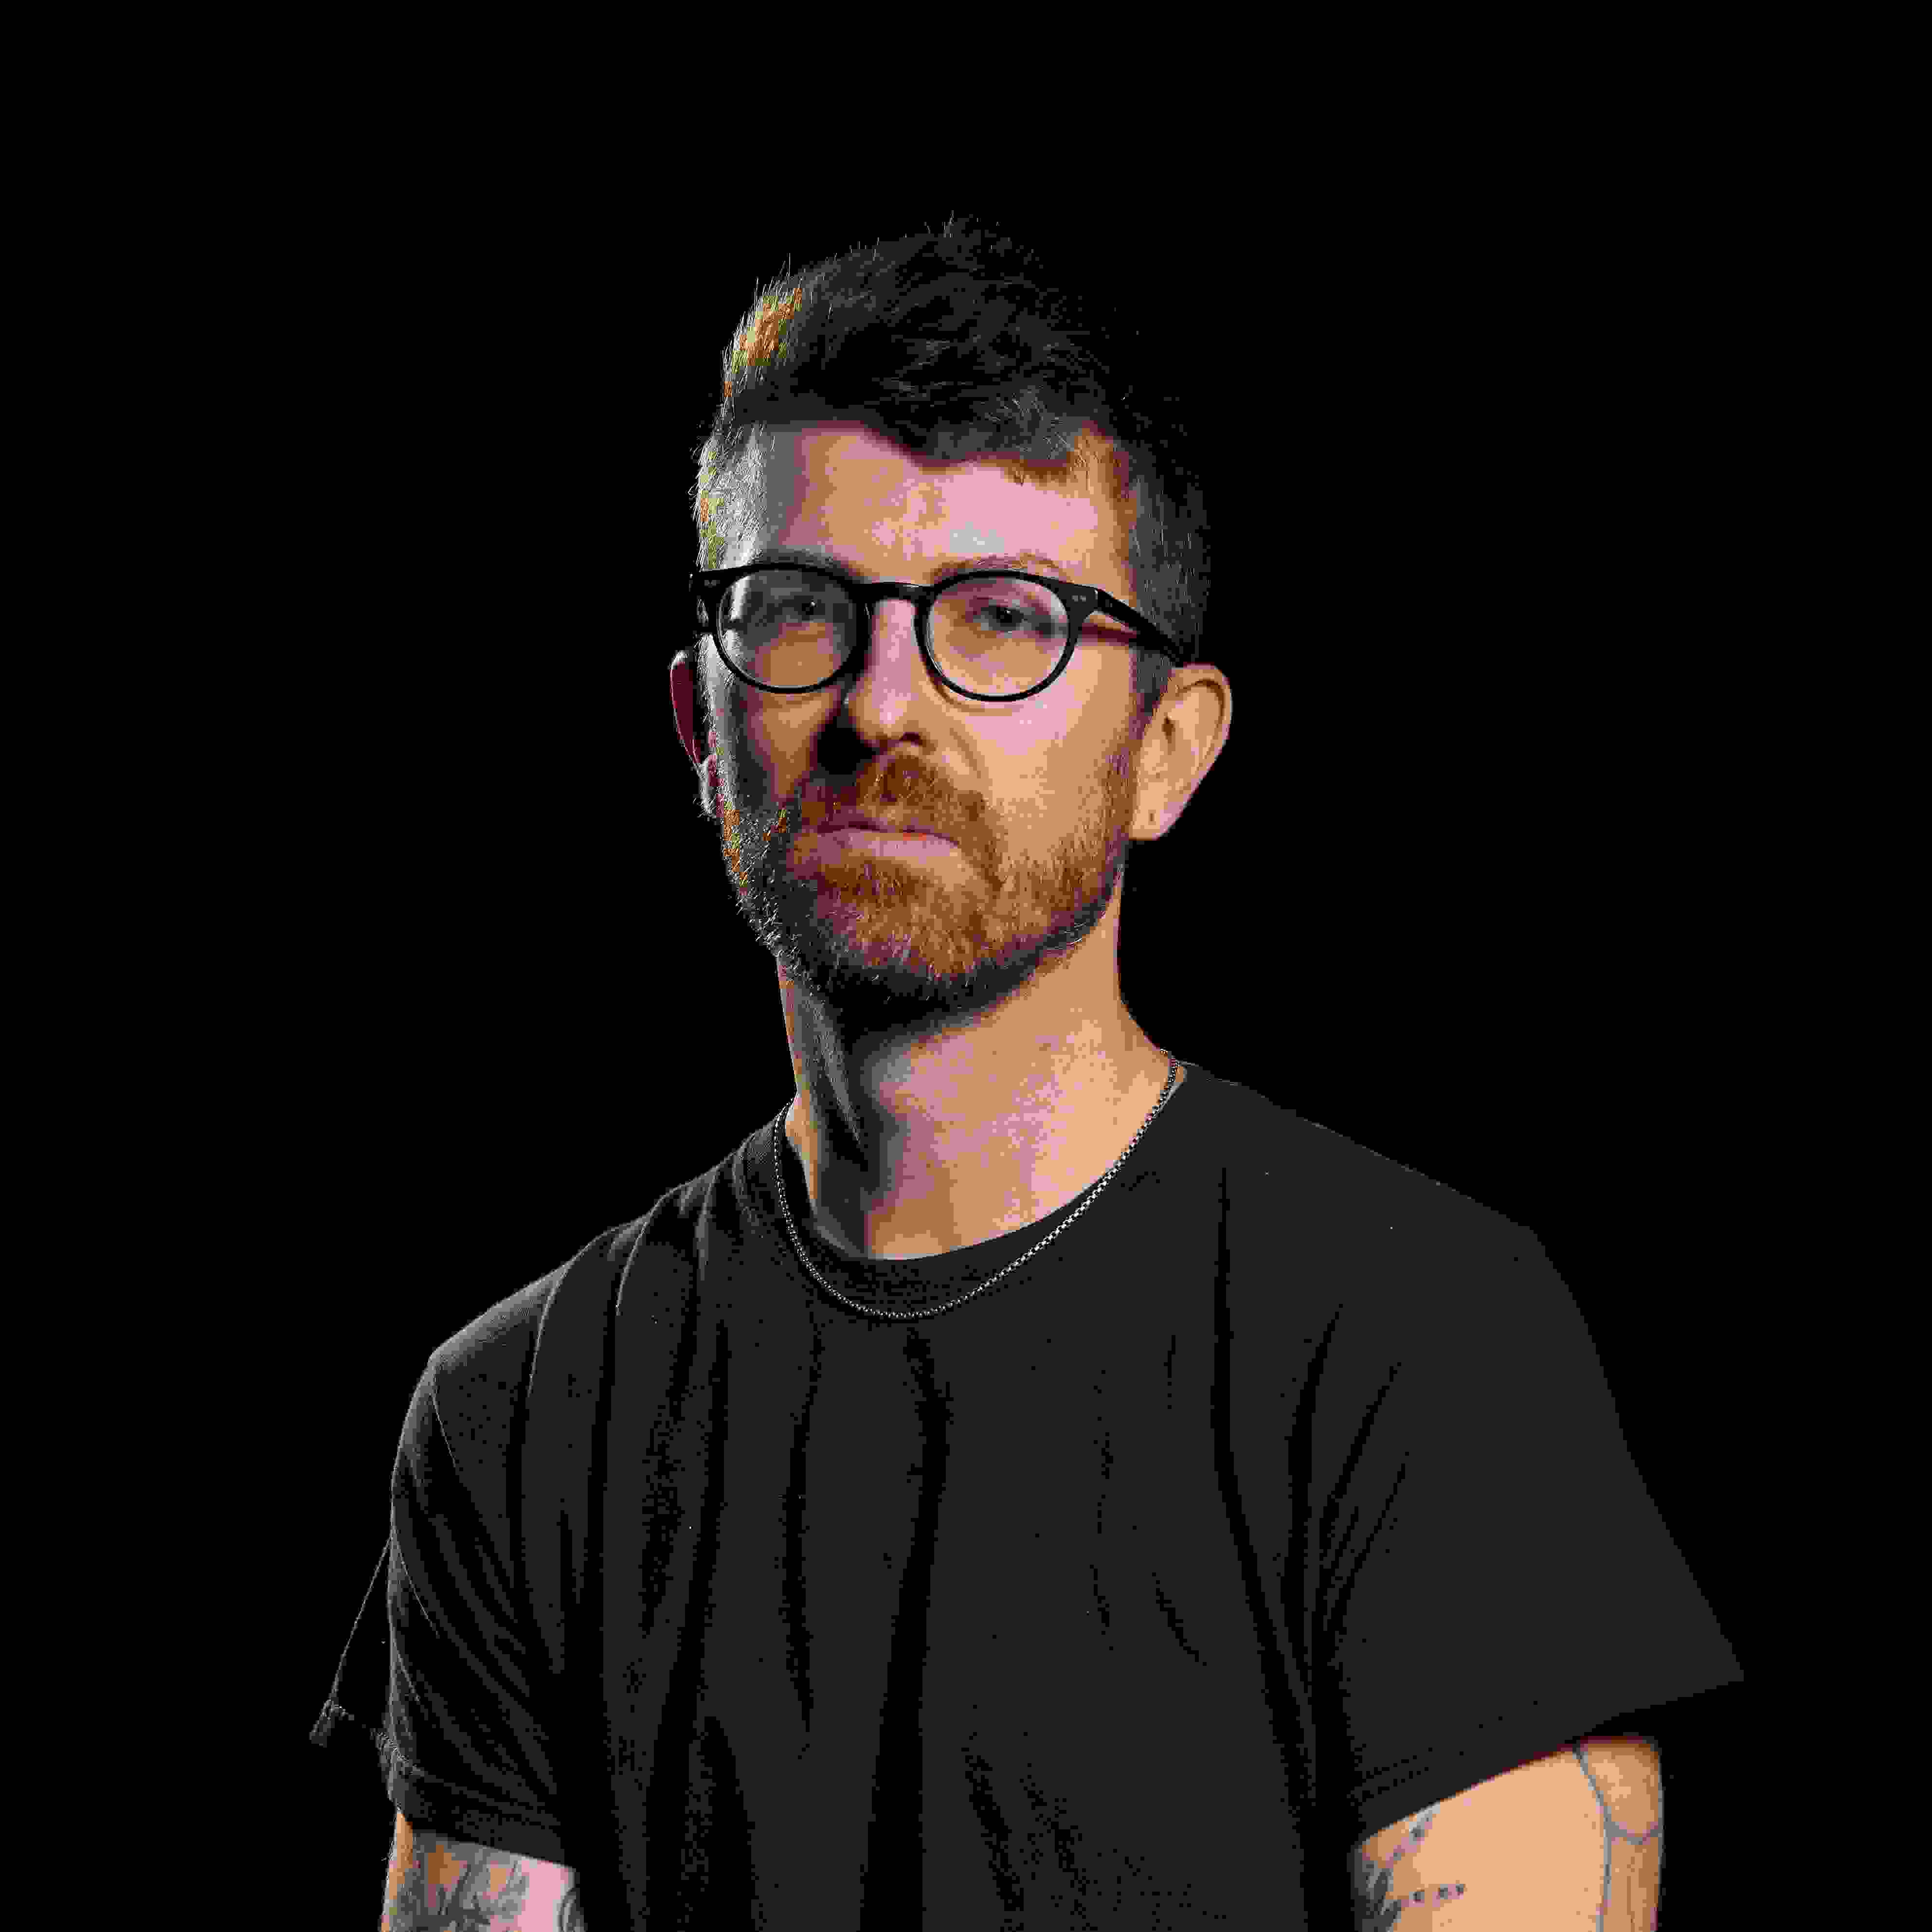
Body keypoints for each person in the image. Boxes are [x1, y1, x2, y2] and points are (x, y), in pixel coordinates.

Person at [310, 217, 1742, 1928]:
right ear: (699, 725)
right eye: (801, 610)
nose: (881, 705)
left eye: (1003, 620)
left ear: (1166, 750)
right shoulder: (522, 1407)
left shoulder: (1421, 1343)